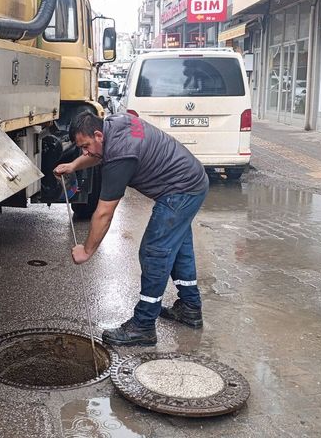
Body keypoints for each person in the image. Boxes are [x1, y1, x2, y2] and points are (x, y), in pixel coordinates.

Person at [54, 112, 208, 347]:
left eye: (84, 146)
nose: (85, 152)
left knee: (154, 252)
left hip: (181, 191)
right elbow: (98, 152)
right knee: (179, 248)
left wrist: (86, 251)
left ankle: (144, 326)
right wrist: (74, 165)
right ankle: (190, 308)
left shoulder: (121, 154)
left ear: (98, 134)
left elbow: (104, 213)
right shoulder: (113, 126)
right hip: (191, 181)